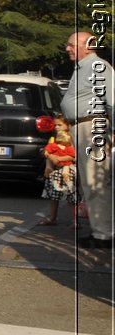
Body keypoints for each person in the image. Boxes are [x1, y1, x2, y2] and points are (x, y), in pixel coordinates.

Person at [62, 31, 113, 250]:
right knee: (90, 181)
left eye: (71, 45)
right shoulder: (82, 67)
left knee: (95, 181)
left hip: (92, 127)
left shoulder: (97, 66)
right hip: (83, 127)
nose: (67, 49)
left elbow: (112, 100)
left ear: (88, 46)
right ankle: (100, 230)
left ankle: (104, 235)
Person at [38, 116, 78, 227]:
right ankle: (52, 218)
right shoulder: (53, 138)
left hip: (68, 170)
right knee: (53, 196)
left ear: (68, 125)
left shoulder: (72, 137)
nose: (56, 127)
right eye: (55, 125)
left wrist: (58, 159)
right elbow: (48, 151)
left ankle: (75, 220)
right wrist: (47, 154)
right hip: (55, 171)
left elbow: (73, 155)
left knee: (71, 196)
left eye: (59, 125)